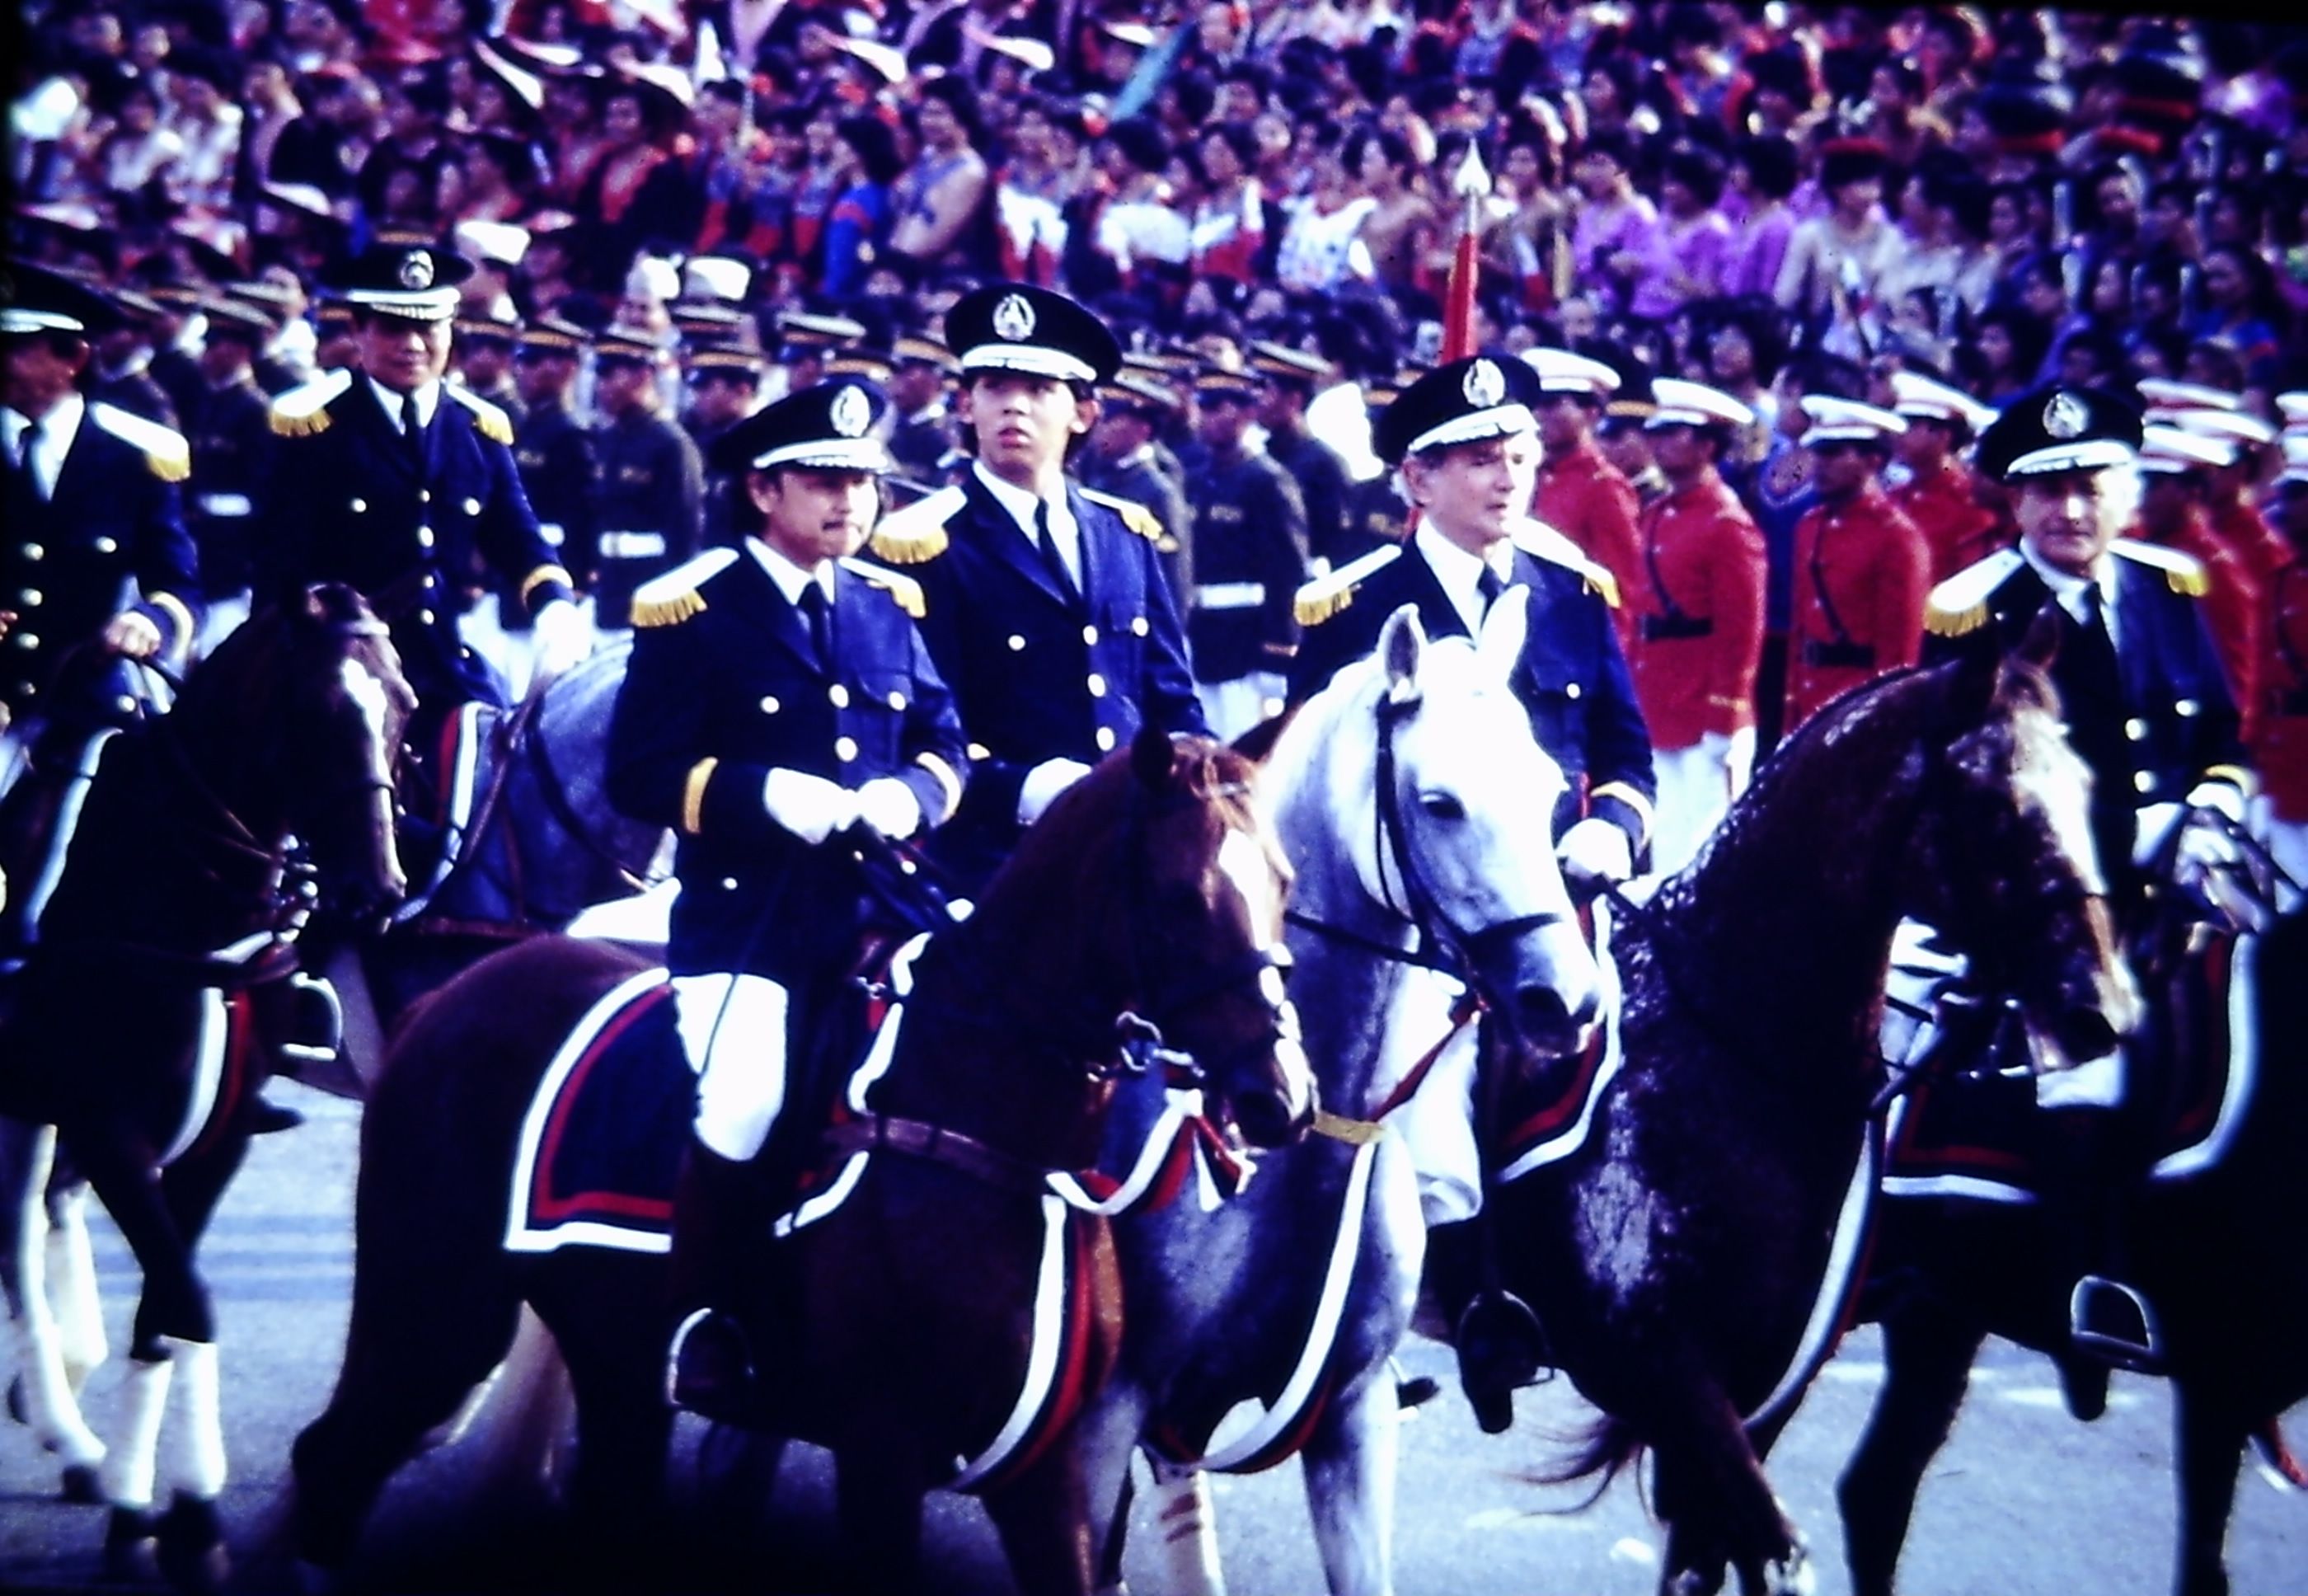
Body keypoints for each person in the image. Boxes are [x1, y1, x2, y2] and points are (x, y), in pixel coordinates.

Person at [1287, 354, 1654, 1431]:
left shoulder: (1570, 595)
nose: (1507, 479)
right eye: (1478, 460)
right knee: (1428, 1113)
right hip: (1421, 932)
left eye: (1520, 456)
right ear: (1416, 481)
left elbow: (1624, 752)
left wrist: (1613, 828)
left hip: (1556, 905)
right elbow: (1304, 783)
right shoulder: (1358, 607)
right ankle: (1452, 1296)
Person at [607, 378, 969, 1417]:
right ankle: (705, 1313)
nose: (851, 502)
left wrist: (914, 792)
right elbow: (640, 772)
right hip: (747, 915)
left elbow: (945, 740)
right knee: (749, 1098)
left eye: (863, 482)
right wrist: (764, 795)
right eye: (825, 481)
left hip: (882, 908)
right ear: (764, 490)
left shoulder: (885, 604)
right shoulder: (697, 606)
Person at [1922, 384, 2255, 1371]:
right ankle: (2088, 1273)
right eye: (2048, 490)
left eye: (2092, 484)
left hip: (2188, 875)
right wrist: (2126, 838)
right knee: (2090, 1058)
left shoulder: (2168, 590)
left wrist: (2213, 808)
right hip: (2047, 898)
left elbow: (2221, 739)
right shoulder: (1974, 608)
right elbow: (1968, 788)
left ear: (2128, 489)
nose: (2072, 509)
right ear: (2014, 504)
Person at [256, 244, 588, 876]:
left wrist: (553, 607)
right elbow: (281, 571)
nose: (413, 345)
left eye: (428, 328)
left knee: (519, 781)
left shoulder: (479, 428)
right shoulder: (315, 427)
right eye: (394, 327)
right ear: (358, 331)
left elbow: (519, 538)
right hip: (341, 676)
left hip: (441, 667)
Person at [867, 283, 1204, 892]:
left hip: (1124, 852)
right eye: (995, 389)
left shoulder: (1123, 534)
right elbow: (916, 729)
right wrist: (1024, 789)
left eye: (1039, 391)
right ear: (966, 406)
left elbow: (1170, 696)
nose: (1013, 409)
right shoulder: (926, 544)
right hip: (991, 861)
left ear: (1083, 413)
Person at [0, 261, 199, 956]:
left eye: (15, 348)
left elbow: (176, 578)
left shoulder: (134, 457)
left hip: (83, 703)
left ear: (73, 358)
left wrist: (151, 620)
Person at [1624, 378, 1768, 874]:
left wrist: (1726, 710)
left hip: (1705, 706)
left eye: (1676, 433)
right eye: (1658, 432)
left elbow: (1742, 629)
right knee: (1666, 843)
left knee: (1705, 850)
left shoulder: (1727, 523)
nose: (1660, 443)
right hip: (1661, 697)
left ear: (1708, 445)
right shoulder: (1659, 513)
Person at [1780, 395, 1929, 733]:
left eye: (1834, 453)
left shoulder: (1897, 536)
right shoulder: (1810, 525)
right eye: (1818, 452)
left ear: (1873, 460)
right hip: (1809, 697)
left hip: (1858, 702)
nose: (1820, 464)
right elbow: (1801, 628)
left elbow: (1900, 650)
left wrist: (1884, 721)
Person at [1184, 366, 1309, 739]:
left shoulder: (1268, 481)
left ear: (1246, 413)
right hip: (1205, 635)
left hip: (1248, 640)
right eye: (1203, 408)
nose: (1208, 420)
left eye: (1219, 408)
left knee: (1245, 748)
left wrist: (1279, 649)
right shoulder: (1197, 478)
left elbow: (1286, 571)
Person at [589, 326, 706, 634]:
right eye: (601, 374)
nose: (602, 386)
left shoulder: (671, 443)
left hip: (650, 581)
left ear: (643, 376)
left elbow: (685, 531)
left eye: (612, 374)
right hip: (609, 584)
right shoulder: (610, 438)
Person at [1527, 346, 1644, 655]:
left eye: (1554, 405)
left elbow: (1622, 588)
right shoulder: (1533, 474)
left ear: (1590, 414)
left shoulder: (1605, 486)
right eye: (1537, 405)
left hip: (1576, 644)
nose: (1540, 416)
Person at [1886, 370, 2002, 584]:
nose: (1897, 435)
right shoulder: (1896, 497)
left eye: (1910, 426)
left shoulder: (1971, 505)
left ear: (1942, 436)